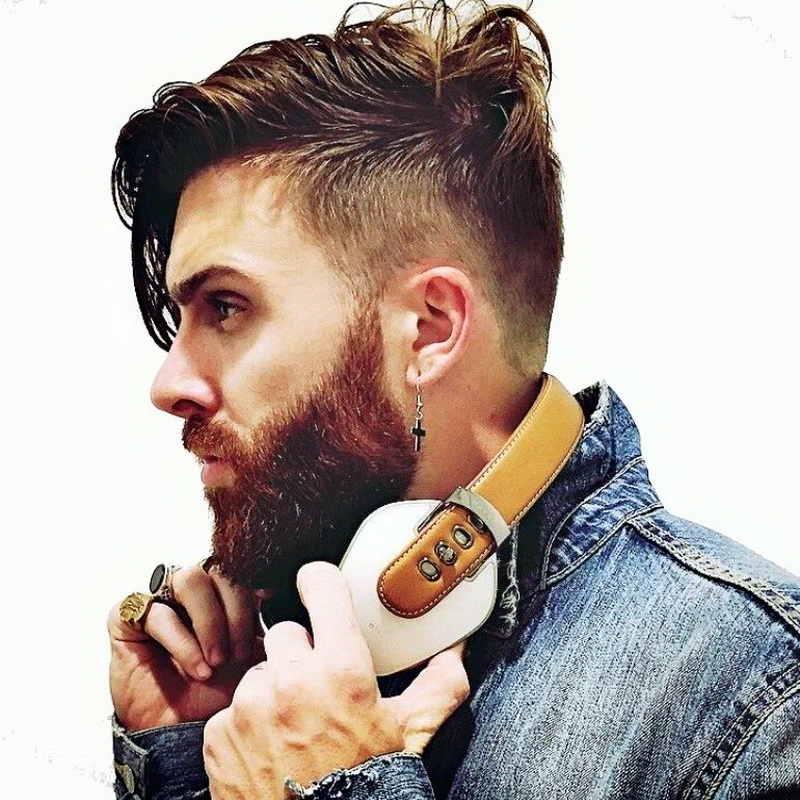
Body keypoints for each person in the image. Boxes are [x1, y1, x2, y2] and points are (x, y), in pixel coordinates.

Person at [106, 1, 800, 798]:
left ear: (431, 329)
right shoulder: (266, 680)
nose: (169, 385)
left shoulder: (761, 697)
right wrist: (185, 756)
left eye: (226, 307)